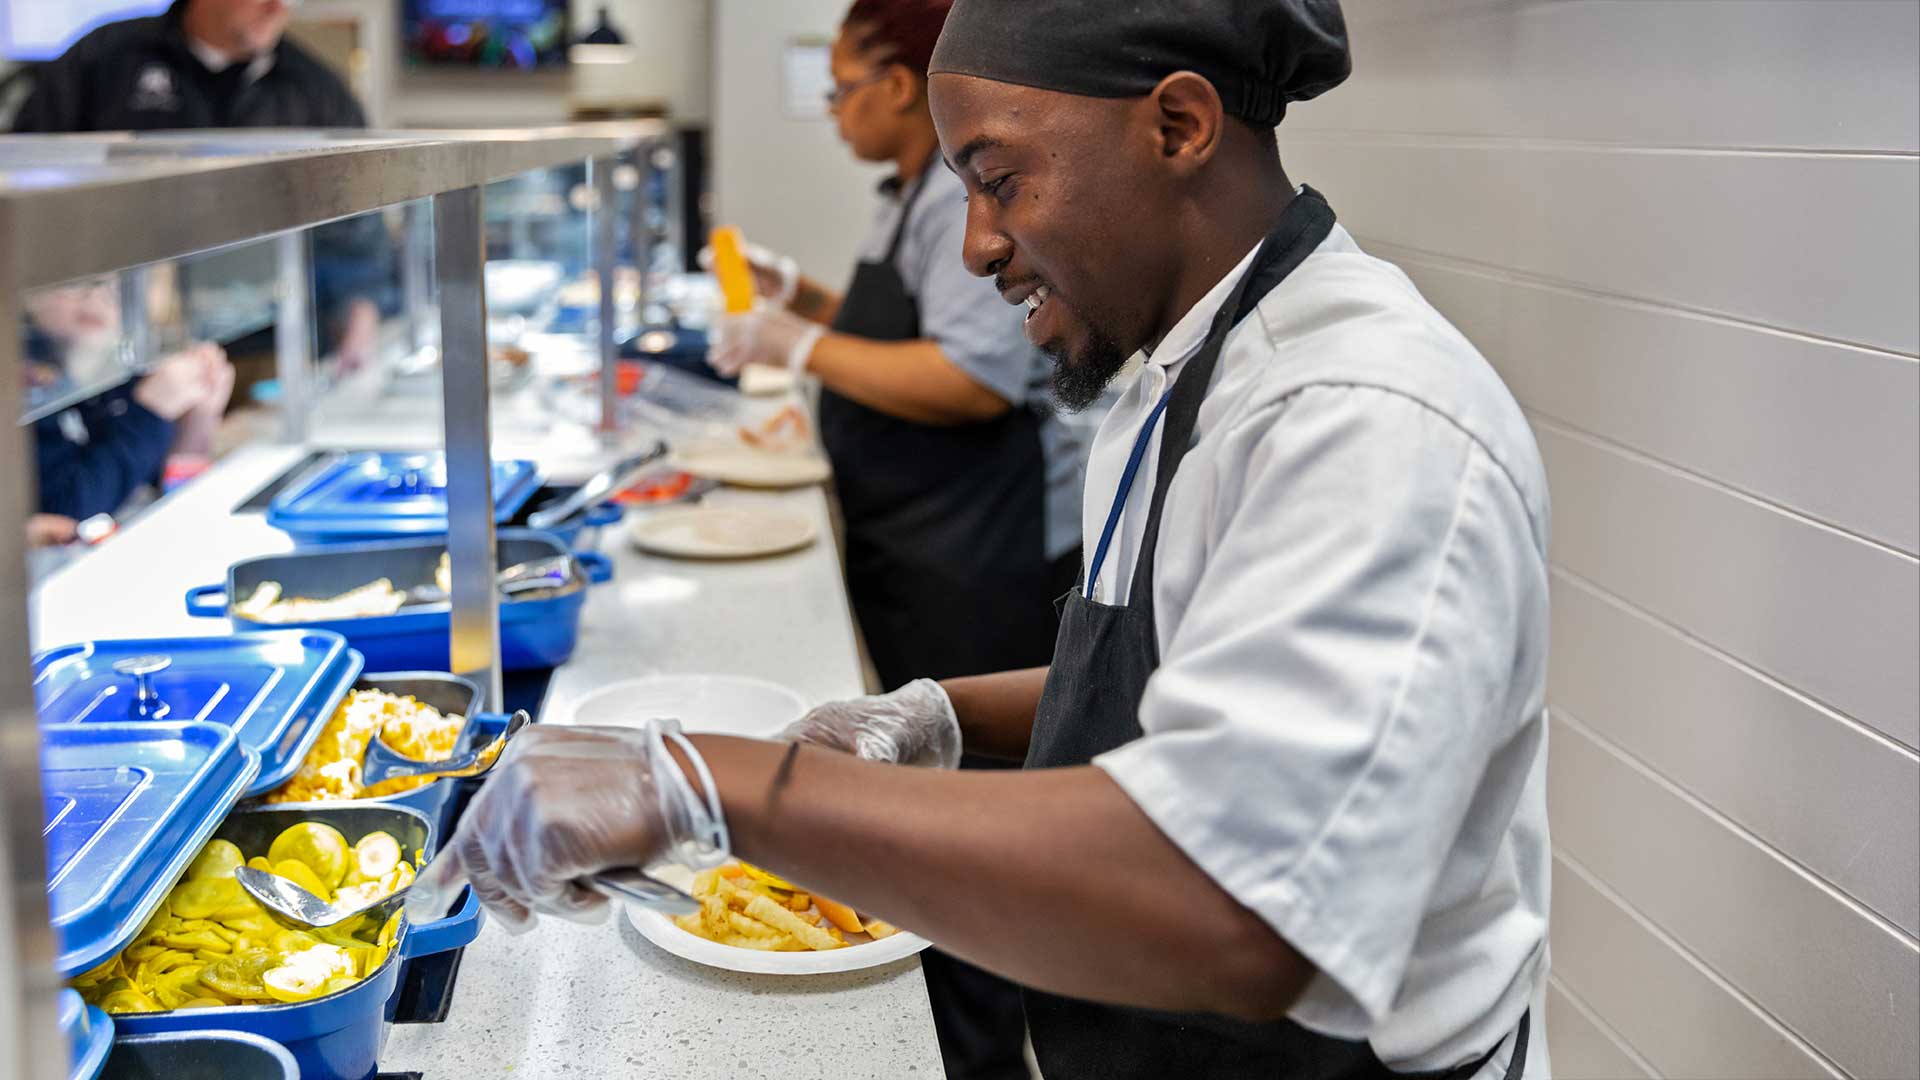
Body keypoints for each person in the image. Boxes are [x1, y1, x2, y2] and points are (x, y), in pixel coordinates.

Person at [410, 2, 1552, 1076]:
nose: (976, 247)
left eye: (1001, 182)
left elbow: (1239, 907)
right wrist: (943, 711)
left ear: (1180, 126)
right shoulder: (1175, 372)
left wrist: (705, 784)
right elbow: (1187, 674)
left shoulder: (1364, 417)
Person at [710, 6, 1084, 1073]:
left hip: (978, 558)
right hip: (918, 542)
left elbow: (969, 377)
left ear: (900, 81)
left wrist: (798, 341)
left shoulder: (947, 199)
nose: (833, 113)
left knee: (965, 860)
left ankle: (970, 1048)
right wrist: (801, 298)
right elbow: (904, 327)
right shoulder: (909, 196)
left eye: (840, 88)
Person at [12, 0, 391, 368]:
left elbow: (356, 223)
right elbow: (28, 173)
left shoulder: (313, 88)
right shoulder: (105, 59)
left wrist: (361, 304)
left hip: (271, 346)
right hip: (110, 346)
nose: (278, 8)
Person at [24, 277, 234, 521]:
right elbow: (64, 514)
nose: (97, 297)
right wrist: (150, 411)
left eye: (115, 285)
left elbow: (162, 485)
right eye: (75, 282)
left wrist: (199, 421)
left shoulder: (124, 367)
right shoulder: (27, 382)